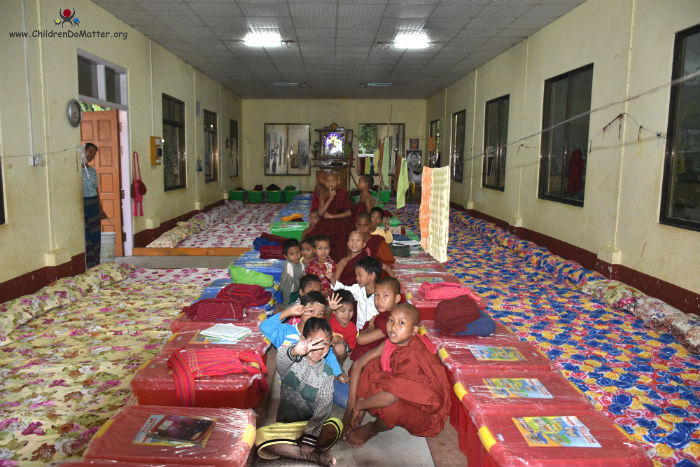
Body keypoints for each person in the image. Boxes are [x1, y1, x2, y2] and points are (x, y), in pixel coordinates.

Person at [343, 304, 451, 447]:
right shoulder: (393, 342)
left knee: (390, 408)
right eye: (391, 320)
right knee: (372, 366)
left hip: (427, 415)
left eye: (401, 323)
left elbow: (390, 397)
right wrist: (350, 409)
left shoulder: (414, 354)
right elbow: (358, 364)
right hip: (399, 389)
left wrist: (359, 404)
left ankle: (372, 428)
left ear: (414, 330)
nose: (393, 327)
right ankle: (357, 417)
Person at [255, 318, 342, 466]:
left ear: (330, 346)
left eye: (325, 344)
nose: (319, 348)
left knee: (336, 425)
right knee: (260, 436)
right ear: (303, 340)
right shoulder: (292, 361)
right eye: (314, 342)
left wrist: (309, 437)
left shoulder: (327, 373)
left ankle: (297, 448)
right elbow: (281, 361)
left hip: (311, 425)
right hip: (286, 425)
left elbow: (323, 407)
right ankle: (313, 456)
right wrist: (294, 351)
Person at [259, 291, 346, 382]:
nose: (315, 316)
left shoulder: (321, 336)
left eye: (320, 314)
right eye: (311, 311)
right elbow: (265, 327)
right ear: (300, 310)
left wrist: (338, 373)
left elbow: (329, 356)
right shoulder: (286, 331)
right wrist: (288, 312)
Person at [352, 277, 402, 361]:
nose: (380, 300)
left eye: (385, 295)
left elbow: (361, 340)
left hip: (372, 360)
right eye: (376, 295)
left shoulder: (391, 321)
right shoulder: (385, 315)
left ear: (397, 298)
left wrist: (370, 327)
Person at [308, 172, 354, 262]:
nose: (331, 183)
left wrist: (333, 216)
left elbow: (349, 213)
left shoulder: (342, 193)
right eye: (328, 181)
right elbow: (320, 212)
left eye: (333, 181)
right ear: (325, 183)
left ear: (338, 182)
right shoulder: (323, 194)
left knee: (341, 245)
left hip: (341, 224)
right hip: (326, 225)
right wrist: (330, 199)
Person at [328, 256, 381, 331]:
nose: (357, 278)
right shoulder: (358, 289)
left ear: (372, 275)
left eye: (360, 275)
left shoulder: (380, 294)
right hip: (359, 329)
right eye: (356, 275)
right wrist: (331, 278)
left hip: (374, 330)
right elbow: (342, 288)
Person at [81, 143, 106, 268]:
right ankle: (87, 265)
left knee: (96, 236)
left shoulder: (92, 171)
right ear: (83, 151)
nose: (91, 155)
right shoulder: (75, 170)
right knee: (86, 236)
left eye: (93, 154)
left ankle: (95, 264)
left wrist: (100, 209)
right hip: (83, 206)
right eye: (89, 152)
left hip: (93, 206)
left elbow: (96, 191)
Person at [327, 290, 357, 367]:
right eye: (343, 311)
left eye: (350, 310)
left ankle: (339, 366)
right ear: (334, 311)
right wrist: (330, 308)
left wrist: (342, 341)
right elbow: (326, 314)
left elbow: (350, 349)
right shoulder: (330, 318)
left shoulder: (352, 327)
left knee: (340, 348)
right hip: (324, 349)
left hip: (338, 353)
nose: (347, 314)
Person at [280, 239, 304, 305]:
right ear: (286, 256)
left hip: (297, 291)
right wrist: (286, 302)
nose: (296, 256)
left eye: (298, 252)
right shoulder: (289, 266)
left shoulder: (300, 263)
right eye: (292, 254)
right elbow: (287, 285)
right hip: (289, 293)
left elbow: (303, 278)